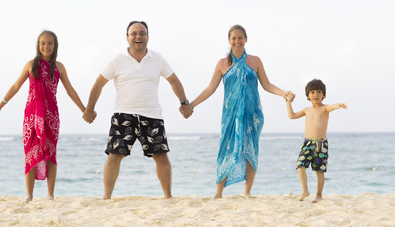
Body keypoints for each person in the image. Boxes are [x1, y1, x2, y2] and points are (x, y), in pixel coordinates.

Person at [82, 21, 193, 200]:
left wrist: (184, 102)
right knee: (115, 155)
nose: (138, 36)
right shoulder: (117, 60)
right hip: (123, 114)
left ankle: (168, 197)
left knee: (161, 156)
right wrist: (90, 109)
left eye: (142, 33)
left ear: (148, 37)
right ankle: (106, 197)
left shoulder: (157, 59)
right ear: (127, 38)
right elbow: (99, 83)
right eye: (134, 33)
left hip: (152, 116)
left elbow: (173, 80)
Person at [183, 24, 293, 199]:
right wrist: (191, 104)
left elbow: (267, 84)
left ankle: (247, 192)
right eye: (233, 38)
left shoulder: (255, 61)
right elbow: (210, 89)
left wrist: (283, 93)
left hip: (253, 114)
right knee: (225, 149)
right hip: (230, 115)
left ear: (246, 39)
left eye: (240, 37)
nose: (237, 41)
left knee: (251, 150)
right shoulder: (222, 64)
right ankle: (218, 192)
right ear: (229, 41)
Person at [0, 30, 88, 203]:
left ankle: (50, 195)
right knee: (30, 154)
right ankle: (29, 196)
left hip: (51, 116)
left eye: (49, 43)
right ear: (38, 45)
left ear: (55, 45)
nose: (46, 46)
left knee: (50, 153)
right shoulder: (30, 65)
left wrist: (84, 109)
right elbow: (15, 86)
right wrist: (0, 106)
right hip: (31, 117)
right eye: (43, 43)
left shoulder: (60, 67)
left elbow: (70, 90)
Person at [286, 78, 347, 203]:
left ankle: (318, 195)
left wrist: (338, 105)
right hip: (307, 143)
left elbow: (331, 107)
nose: (316, 94)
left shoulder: (324, 108)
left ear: (323, 94)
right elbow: (291, 116)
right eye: (312, 92)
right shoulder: (306, 110)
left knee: (319, 170)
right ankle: (305, 190)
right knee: (300, 165)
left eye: (319, 92)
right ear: (308, 95)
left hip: (321, 144)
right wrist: (288, 102)